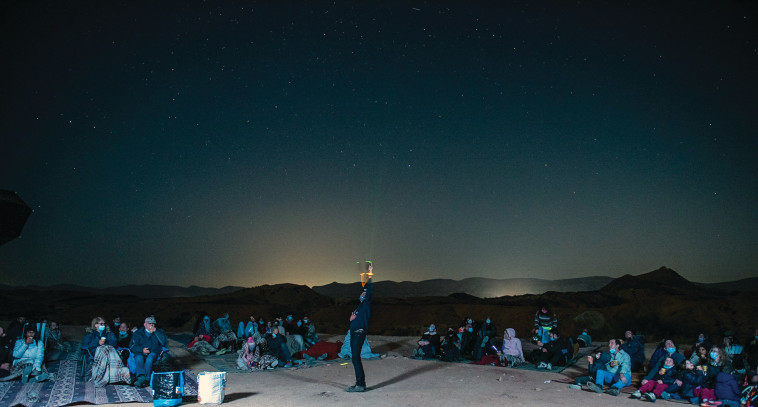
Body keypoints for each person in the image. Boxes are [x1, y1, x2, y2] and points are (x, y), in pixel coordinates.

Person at [347, 261, 373, 393]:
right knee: (354, 358)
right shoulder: (359, 307)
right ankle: (359, 383)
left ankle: (360, 385)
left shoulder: (366, 304)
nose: (362, 295)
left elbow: (369, 289)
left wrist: (369, 275)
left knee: (356, 358)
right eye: (361, 294)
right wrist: (351, 320)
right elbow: (355, 319)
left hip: (358, 333)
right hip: (354, 332)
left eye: (364, 293)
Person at [129, 316, 168, 388]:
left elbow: (163, 342)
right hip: (141, 352)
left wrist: (156, 332)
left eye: (153, 324)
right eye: (149, 324)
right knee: (138, 358)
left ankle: (147, 378)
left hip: (153, 352)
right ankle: (141, 377)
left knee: (149, 359)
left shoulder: (158, 332)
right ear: (145, 324)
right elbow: (132, 346)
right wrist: (141, 350)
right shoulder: (138, 333)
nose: (151, 326)